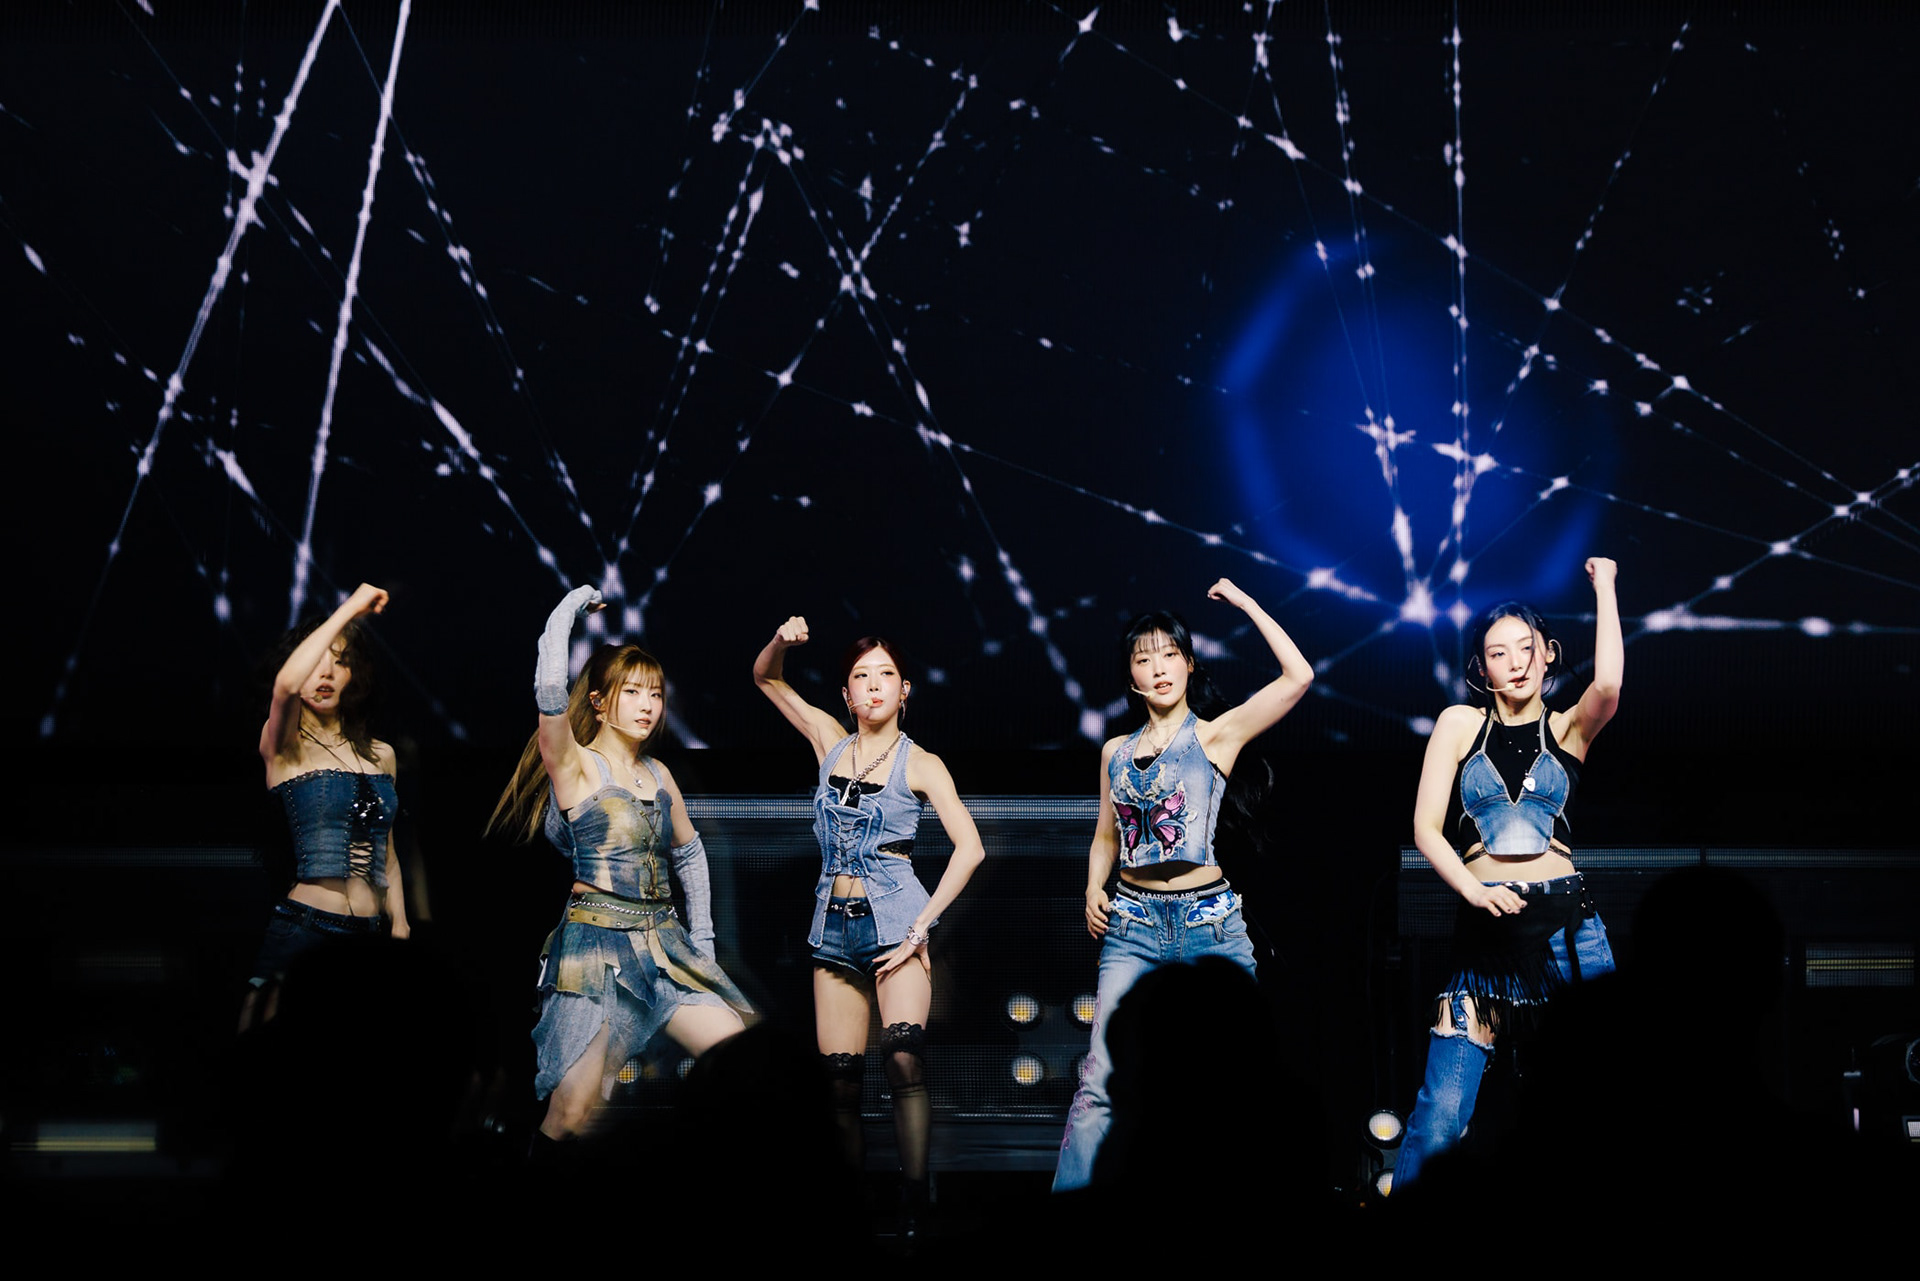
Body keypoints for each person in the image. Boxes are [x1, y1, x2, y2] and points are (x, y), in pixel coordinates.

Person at [1053, 577, 1314, 1191]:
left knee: (1242, 1078)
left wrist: (1247, 603)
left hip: (1209, 924)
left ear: (1190, 665)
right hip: (1132, 926)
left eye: (1170, 654)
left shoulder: (1217, 734)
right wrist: (1093, 888)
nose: (1159, 667)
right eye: (1144, 659)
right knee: (1100, 1083)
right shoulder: (1114, 751)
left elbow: (1298, 676)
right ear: (1131, 677)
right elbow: (1106, 836)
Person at [489, 585, 751, 1142]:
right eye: (631, 692)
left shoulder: (658, 774)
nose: (647, 705)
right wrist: (568, 610)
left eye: (654, 693)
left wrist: (703, 945)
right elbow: (549, 692)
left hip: (666, 948)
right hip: (597, 952)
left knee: (743, 1064)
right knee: (573, 1112)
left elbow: (690, 854)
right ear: (599, 702)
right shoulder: (577, 765)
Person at [1395, 557, 1622, 1189]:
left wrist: (1605, 587)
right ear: (1481, 667)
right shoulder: (1459, 724)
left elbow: (1607, 685)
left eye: (1527, 648)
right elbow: (1426, 828)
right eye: (1499, 653)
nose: (1516, 662)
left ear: (1548, 654)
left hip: (1568, 929)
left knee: (1601, 1098)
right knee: (1442, 1112)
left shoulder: (1568, 727)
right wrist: (1473, 890)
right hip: (1487, 929)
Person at [752, 617, 985, 1226]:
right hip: (832, 929)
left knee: (904, 1061)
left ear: (905, 690)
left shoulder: (921, 763)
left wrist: (919, 930)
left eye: (886, 675)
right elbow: (765, 678)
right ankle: (848, 1212)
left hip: (896, 927)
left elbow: (971, 849)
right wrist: (780, 643)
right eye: (861, 676)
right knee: (840, 1085)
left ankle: (916, 1202)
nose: (874, 685)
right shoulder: (829, 741)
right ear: (846, 693)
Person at [247, 582, 409, 1029]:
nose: (327, 672)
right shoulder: (287, 746)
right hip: (306, 927)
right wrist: (351, 608)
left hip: (369, 935)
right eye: (318, 659)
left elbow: (387, 852)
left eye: (340, 661)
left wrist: (400, 923)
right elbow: (285, 686)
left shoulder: (381, 754)